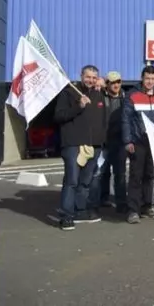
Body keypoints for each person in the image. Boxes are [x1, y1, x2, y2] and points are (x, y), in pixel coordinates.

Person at [54, 65, 107, 230]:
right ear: (81, 75)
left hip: (94, 146)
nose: (90, 80)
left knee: (85, 182)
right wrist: (79, 106)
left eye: (93, 77)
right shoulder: (69, 92)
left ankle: (80, 211)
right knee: (71, 181)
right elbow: (59, 116)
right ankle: (66, 216)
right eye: (88, 76)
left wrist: (101, 141)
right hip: (73, 144)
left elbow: (103, 120)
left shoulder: (98, 95)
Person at [121, 65, 154, 224]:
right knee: (136, 176)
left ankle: (147, 206)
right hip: (138, 141)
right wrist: (127, 140)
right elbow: (126, 119)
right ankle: (133, 210)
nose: (150, 82)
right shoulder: (132, 95)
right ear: (142, 78)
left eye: (153, 79)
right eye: (147, 78)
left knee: (150, 175)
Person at [90, 71, 127, 214]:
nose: (116, 85)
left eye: (118, 82)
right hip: (103, 142)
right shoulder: (100, 96)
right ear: (107, 84)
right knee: (100, 173)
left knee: (120, 174)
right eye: (113, 82)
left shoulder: (125, 97)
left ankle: (121, 203)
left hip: (120, 142)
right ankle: (100, 199)